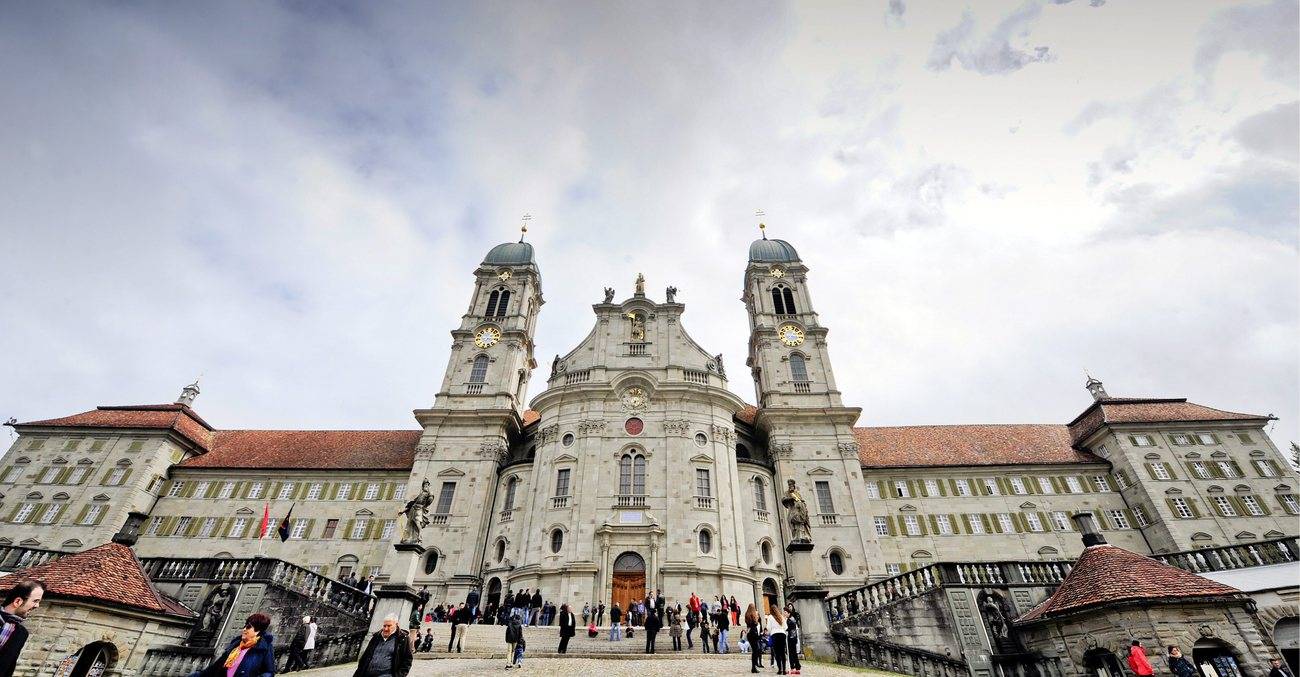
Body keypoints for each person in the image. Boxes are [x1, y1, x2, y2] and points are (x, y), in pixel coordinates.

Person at [192, 613, 277, 677]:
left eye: (248, 627)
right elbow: (214, 669)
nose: (244, 629)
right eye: (244, 626)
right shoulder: (235, 645)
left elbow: (269, 672)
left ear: (257, 631)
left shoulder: (264, 647)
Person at [0, 579, 45, 677]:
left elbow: (9, 668)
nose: (37, 606)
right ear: (17, 601)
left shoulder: (21, 634)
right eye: (35, 601)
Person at [765, 607, 788, 675]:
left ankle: (779, 669)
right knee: (782, 653)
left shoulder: (770, 617)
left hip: (775, 635)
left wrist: (771, 631)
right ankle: (784, 669)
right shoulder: (781, 616)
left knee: (777, 653)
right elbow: (786, 627)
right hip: (782, 634)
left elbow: (768, 627)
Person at [745, 603, 762, 673]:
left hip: (749, 634)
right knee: (756, 651)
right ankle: (753, 667)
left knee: (755, 650)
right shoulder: (753, 615)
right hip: (753, 633)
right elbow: (755, 624)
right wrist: (756, 620)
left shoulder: (747, 614)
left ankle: (754, 666)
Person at [786, 610, 802, 675]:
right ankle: (797, 666)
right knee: (793, 653)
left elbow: (788, 628)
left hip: (791, 638)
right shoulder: (791, 619)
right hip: (793, 637)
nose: (784, 614)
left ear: (789, 613)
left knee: (791, 653)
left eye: (785, 612)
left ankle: (792, 667)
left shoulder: (790, 620)